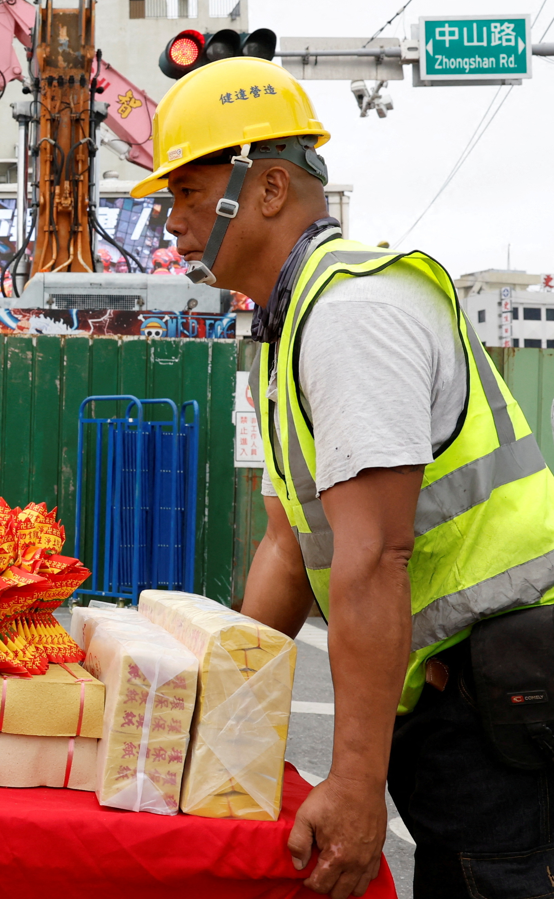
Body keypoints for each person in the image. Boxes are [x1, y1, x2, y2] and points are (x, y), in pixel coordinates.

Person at [136, 49, 554, 897]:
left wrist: (355, 785)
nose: (169, 224)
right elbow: (288, 549)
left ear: (267, 188)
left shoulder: (350, 314)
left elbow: (372, 558)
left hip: (501, 715)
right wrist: (225, 716)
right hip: (456, 709)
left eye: (183, 193)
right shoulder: (287, 328)